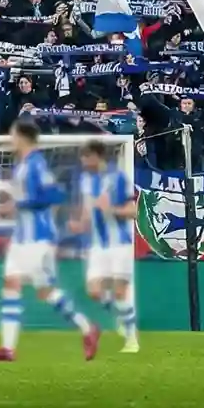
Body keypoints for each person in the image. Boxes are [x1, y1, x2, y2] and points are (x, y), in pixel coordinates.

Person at [0, 118, 101, 363]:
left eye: (13, 135)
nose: (10, 140)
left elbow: (54, 194)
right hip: (24, 237)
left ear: (22, 137)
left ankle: (86, 328)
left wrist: (17, 204)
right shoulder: (24, 164)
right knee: (32, 288)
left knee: (25, 285)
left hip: (37, 237)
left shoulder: (35, 164)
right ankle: (8, 347)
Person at [70, 138, 139, 354]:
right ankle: (121, 316)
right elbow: (87, 211)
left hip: (119, 244)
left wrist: (112, 210)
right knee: (93, 291)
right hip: (98, 246)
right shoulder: (86, 181)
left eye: (85, 156)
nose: (82, 161)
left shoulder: (119, 178)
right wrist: (79, 224)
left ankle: (131, 340)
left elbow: (133, 212)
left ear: (96, 156)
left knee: (120, 293)